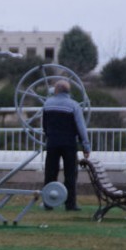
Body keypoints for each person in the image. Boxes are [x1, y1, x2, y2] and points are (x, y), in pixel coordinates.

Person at [42, 79, 91, 211]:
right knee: (70, 174)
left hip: (52, 143)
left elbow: (45, 125)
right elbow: (81, 127)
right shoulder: (73, 105)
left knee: (50, 173)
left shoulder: (47, 104)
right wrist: (86, 146)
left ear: (56, 90)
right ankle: (70, 203)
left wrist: (49, 136)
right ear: (68, 91)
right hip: (69, 143)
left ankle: (48, 202)